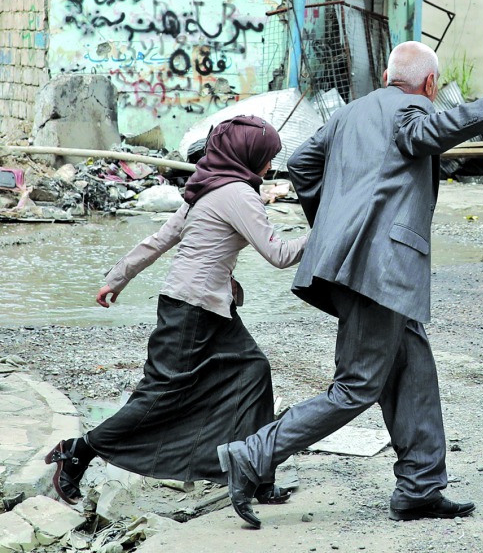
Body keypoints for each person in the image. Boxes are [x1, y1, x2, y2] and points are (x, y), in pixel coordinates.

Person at [217, 42, 483, 529]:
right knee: (357, 385)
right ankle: (251, 455)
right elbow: (426, 131)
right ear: (428, 85)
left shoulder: (347, 115)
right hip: (380, 271)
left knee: (414, 367)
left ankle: (421, 486)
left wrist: (334, 225)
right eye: (432, 89)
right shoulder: (412, 108)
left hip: (357, 267)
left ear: (385, 75)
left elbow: (301, 165)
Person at [44, 116, 306, 507]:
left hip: (209, 307)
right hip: (192, 312)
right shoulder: (237, 193)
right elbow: (280, 255)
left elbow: (160, 239)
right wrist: (329, 230)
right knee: (158, 398)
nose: (270, 165)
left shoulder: (208, 186)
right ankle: (78, 451)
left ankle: (255, 475)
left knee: (253, 370)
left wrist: (117, 278)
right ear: (248, 156)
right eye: (267, 157)